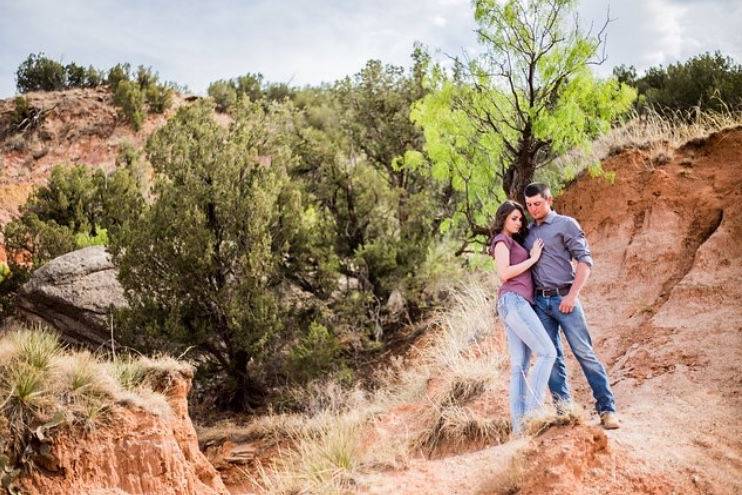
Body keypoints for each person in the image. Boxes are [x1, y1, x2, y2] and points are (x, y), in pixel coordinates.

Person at [522, 183, 620, 430]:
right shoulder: (528, 232)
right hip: (541, 304)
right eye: (529, 205)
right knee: (551, 357)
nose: (533, 209)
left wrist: (572, 296)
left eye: (538, 203)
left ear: (549, 200)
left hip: (565, 298)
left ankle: (607, 410)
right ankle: (564, 411)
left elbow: (585, 262)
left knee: (584, 353)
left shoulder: (566, 224)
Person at [490, 200, 557, 435]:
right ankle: (532, 416)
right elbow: (504, 273)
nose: (518, 223)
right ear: (503, 219)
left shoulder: (512, 241)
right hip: (514, 302)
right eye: (513, 218)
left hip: (514, 304)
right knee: (548, 352)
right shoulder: (501, 241)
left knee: (519, 366)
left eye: (520, 219)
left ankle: (519, 432)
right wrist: (533, 258)